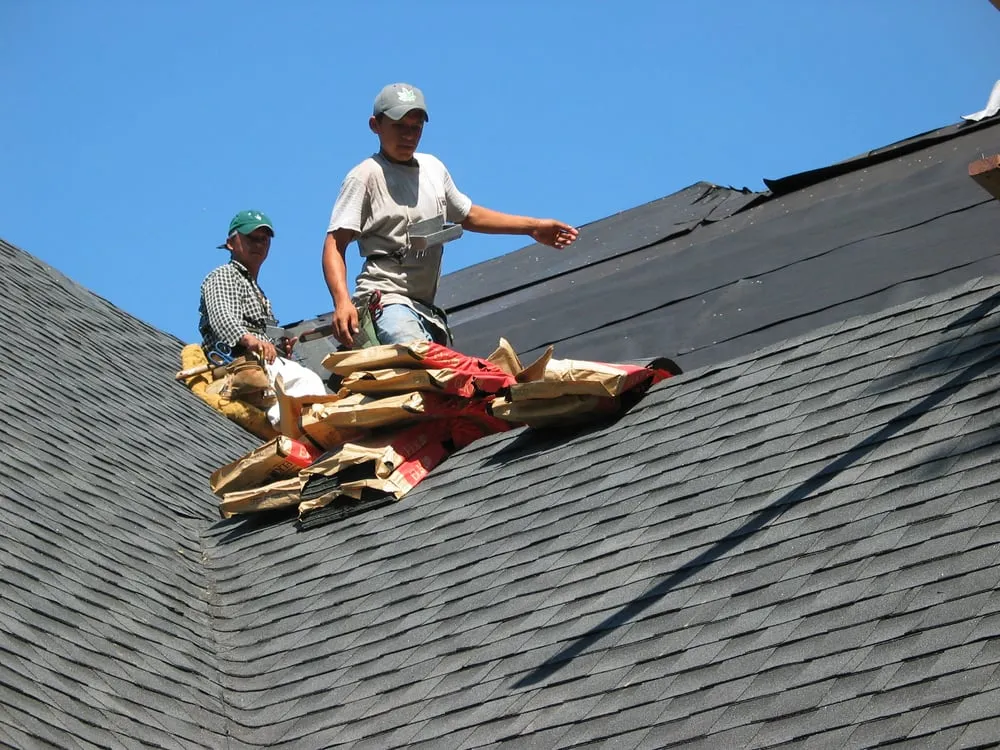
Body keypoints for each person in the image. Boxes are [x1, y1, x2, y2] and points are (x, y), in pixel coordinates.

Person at [322, 82, 579, 348]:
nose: (408, 135)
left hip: (425, 310)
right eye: (399, 126)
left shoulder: (433, 169)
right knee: (424, 359)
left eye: (416, 127)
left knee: (449, 377)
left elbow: (469, 215)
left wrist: (533, 227)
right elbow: (334, 244)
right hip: (386, 302)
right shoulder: (366, 176)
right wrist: (342, 301)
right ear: (375, 125)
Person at [199, 209, 327, 425]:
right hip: (236, 360)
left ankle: (293, 431)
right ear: (231, 243)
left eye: (264, 240)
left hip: (260, 362)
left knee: (305, 385)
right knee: (308, 381)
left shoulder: (256, 289)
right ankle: (296, 432)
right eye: (251, 238)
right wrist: (253, 341)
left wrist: (278, 348)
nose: (259, 244)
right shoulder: (223, 275)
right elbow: (222, 317)